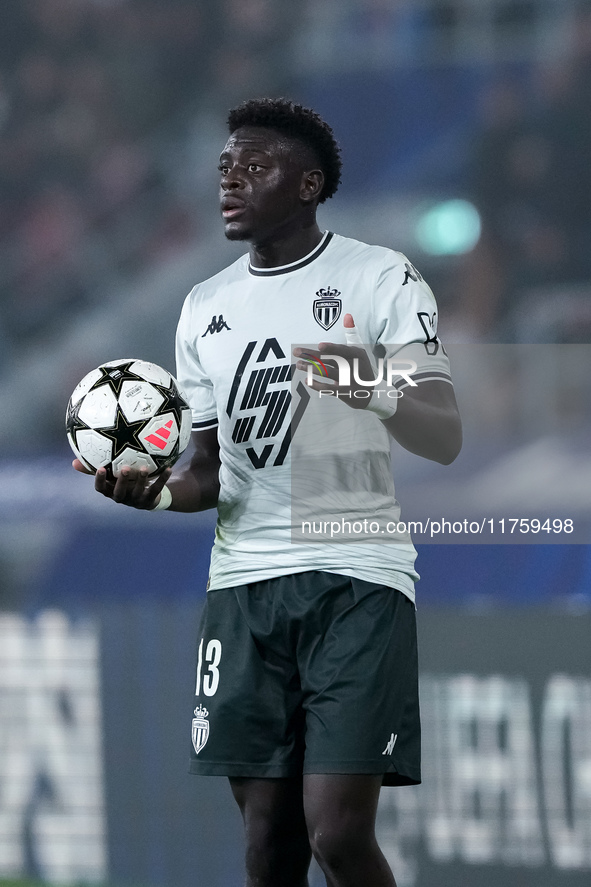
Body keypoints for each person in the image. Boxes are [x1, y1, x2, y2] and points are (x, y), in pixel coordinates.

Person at [73, 98, 462, 887]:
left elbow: (441, 429)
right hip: (244, 589)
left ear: (308, 185)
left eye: (254, 167)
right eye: (223, 167)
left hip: (356, 580)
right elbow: (208, 474)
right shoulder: (204, 307)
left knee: (338, 834)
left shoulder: (378, 276)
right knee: (267, 847)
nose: (230, 181)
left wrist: (353, 376)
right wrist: (146, 493)